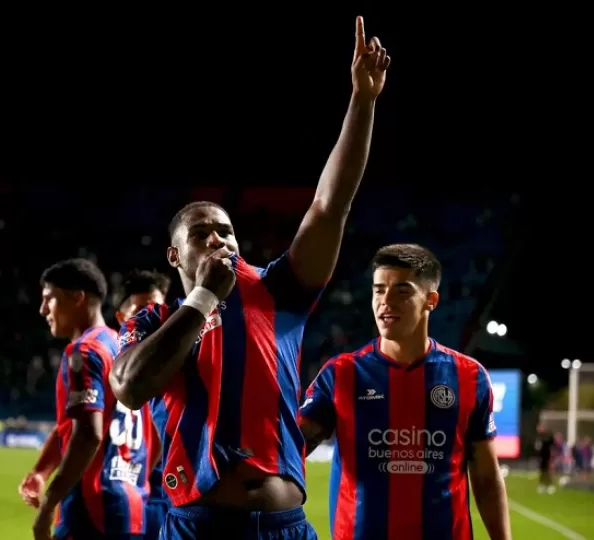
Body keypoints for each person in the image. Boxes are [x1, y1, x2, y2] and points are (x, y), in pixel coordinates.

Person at [110, 16, 389, 540]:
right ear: (175, 255)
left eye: (227, 231)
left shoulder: (278, 288)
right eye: (203, 234)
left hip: (285, 524)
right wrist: (202, 300)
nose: (220, 239)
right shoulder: (155, 318)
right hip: (198, 525)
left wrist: (362, 102)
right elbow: (127, 386)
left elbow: (329, 208)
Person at [299, 244, 511, 540]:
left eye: (402, 291)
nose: (386, 301)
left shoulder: (470, 376)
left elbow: (487, 478)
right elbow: (291, 452)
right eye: (378, 290)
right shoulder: (341, 374)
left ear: (431, 301)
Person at [19, 259, 157, 540]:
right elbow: (153, 434)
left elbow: (88, 434)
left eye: (50, 300)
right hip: (131, 505)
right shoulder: (125, 348)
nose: (43, 310)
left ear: (77, 298)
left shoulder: (84, 351)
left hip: (92, 508)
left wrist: (49, 503)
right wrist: (40, 472)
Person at [115, 270, 171, 540]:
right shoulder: (111, 365)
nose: (149, 318)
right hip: (124, 494)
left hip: (166, 494)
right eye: (139, 310)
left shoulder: (178, 362)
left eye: (156, 308)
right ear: (121, 318)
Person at [534, 423, 556, 494]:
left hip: (547, 457)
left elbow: (552, 444)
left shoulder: (548, 436)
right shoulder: (538, 437)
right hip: (541, 457)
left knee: (548, 471)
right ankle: (542, 485)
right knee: (542, 472)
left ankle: (549, 485)